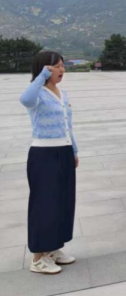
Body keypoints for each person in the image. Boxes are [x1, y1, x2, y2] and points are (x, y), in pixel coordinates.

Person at [21, 51, 78, 275]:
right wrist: (41, 77)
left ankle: (52, 249)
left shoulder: (62, 93)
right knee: (44, 205)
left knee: (62, 203)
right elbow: (25, 100)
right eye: (56, 66)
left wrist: (73, 150)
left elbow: (67, 125)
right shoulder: (37, 92)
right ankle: (37, 258)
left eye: (63, 65)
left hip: (64, 151)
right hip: (44, 154)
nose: (62, 70)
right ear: (44, 68)